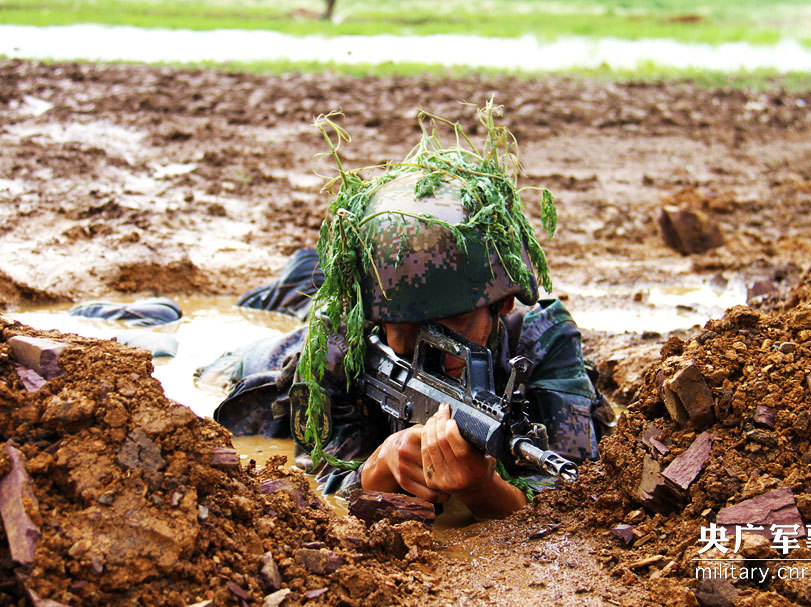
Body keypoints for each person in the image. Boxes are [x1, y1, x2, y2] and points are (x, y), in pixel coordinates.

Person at [209, 106, 614, 518]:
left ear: (503, 302)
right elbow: (317, 480)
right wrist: (377, 469)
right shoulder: (337, 336)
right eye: (409, 326)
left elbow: (571, 491)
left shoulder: (541, 338)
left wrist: (483, 490)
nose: (434, 348)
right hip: (263, 358)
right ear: (375, 316)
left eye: (454, 323)